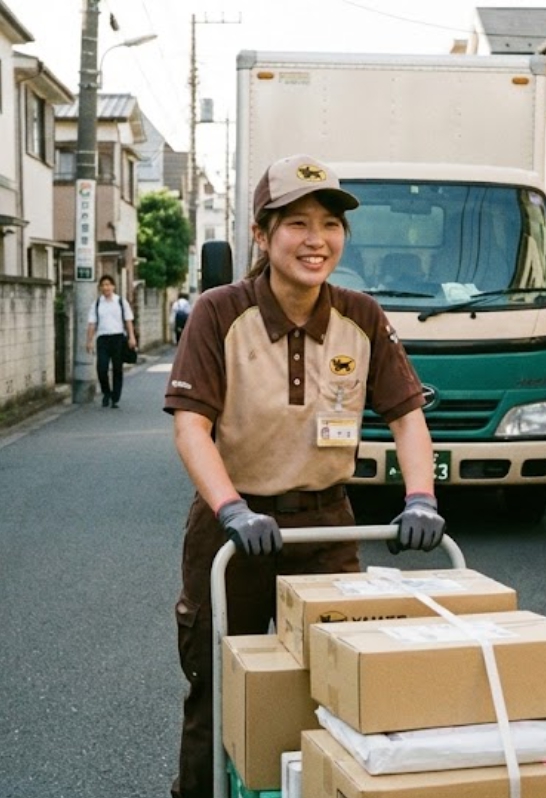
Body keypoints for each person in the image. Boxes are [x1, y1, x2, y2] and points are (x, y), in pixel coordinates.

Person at [163, 153, 446, 798]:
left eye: (330, 224)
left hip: (326, 529)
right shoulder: (218, 312)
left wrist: (421, 499)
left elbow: (406, 417)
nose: (316, 239)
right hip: (232, 531)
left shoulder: (361, 317)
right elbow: (191, 426)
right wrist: (232, 509)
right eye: (297, 223)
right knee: (218, 689)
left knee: (337, 688)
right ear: (262, 236)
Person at [86, 274, 137, 408]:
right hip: (102, 338)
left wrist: (131, 337)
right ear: (100, 288)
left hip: (118, 337)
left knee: (117, 368)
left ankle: (115, 397)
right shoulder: (97, 304)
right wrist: (89, 341)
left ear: (113, 286)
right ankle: (106, 393)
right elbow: (92, 324)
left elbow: (128, 320)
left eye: (108, 284)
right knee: (101, 368)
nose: (106, 287)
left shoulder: (120, 302)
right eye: (103, 285)